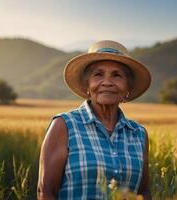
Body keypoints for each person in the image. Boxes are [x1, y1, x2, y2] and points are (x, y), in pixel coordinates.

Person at [37, 40, 152, 199]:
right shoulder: (64, 125)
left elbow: (143, 191)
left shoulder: (139, 134)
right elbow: (46, 191)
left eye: (117, 75)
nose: (107, 82)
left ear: (127, 88)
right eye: (98, 74)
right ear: (87, 85)